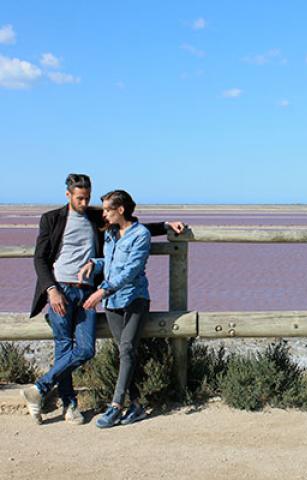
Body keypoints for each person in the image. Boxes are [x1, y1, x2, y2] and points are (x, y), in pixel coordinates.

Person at [21, 174, 185, 425]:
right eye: (80, 198)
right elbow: (40, 259)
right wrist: (51, 290)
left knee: (85, 349)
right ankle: (69, 404)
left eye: (88, 197)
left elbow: (130, 225)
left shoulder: (98, 217)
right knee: (64, 346)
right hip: (61, 291)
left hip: (89, 292)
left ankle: (39, 389)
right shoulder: (51, 219)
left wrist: (165, 225)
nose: (85, 202)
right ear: (68, 195)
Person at [79, 190, 152, 428]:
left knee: (128, 348)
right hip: (112, 304)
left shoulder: (141, 234)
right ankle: (138, 405)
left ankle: (115, 406)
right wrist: (94, 263)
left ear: (121, 209)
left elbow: (130, 270)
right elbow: (110, 263)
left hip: (133, 300)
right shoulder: (110, 233)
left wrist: (102, 291)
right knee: (125, 353)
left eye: (108, 210)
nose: (104, 214)